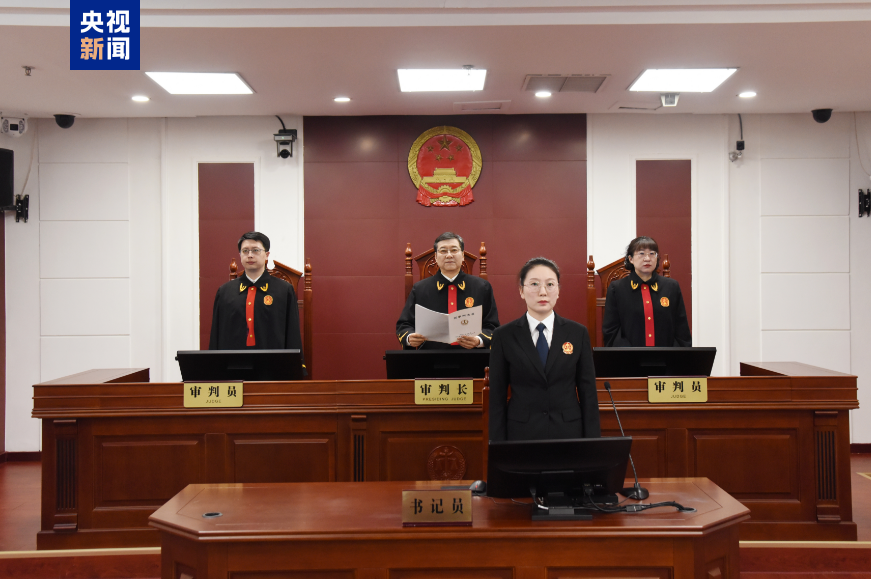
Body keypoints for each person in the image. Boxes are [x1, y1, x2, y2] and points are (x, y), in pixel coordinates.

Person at [488, 257, 600, 442]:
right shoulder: (503, 336)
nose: (543, 292)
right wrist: (497, 446)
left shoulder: (577, 333)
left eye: (550, 284)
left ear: (558, 291)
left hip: (568, 434)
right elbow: (496, 398)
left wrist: (593, 443)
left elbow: (588, 393)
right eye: (534, 284)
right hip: (521, 435)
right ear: (521, 291)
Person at [209, 232, 304, 360]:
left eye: (255, 250)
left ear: (267, 255)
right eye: (245, 251)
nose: (250, 255)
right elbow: (216, 335)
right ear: (240, 255)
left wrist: (295, 365)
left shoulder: (284, 290)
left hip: (273, 366)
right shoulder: (225, 292)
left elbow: (292, 333)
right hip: (234, 365)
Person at [396, 232, 500, 349]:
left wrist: (479, 340)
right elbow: (404, 325)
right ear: (436, 257)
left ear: (463, 255)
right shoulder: (420, 289)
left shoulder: (482, 287)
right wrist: (410, 338)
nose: (449, 255)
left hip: (471, 356)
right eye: (443, 251)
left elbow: (492, 326)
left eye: (454, 250)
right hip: (430, 356)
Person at [602, 236, 691, 347]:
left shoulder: (671, 287)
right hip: (629, 356)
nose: (647, 258)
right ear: (630, 259)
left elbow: (682, 330)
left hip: (666, 356)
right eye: (641, 253)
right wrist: (630, 354)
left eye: (652, 254)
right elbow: (611, 332)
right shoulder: (617, 289)